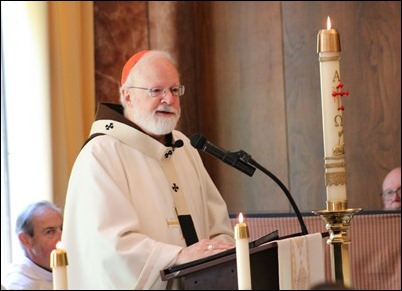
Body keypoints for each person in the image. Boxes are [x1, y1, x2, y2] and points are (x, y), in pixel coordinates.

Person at [62, 50, 235, 289]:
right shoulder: (101, 154)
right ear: (127, 96)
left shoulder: (184, 147)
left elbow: (217, 227)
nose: (168, 99)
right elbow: (109, 248)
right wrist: (177, 257)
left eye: (175, 90)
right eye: (156, 90)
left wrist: (221, 250)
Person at [1, 200, 63, 290]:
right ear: (25, 240)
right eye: (50, 232)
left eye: (62, 228)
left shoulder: (71, 267)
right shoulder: (18, 284)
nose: (62, 238)